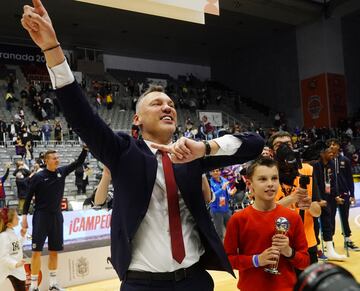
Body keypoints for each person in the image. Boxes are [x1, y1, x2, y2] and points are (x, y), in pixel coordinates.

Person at [21, 2, 264, 290]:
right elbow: (80, 116)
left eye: (171, 104)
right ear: (137, 118)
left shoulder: (191, 153)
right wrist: (52, 50)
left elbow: (256, 144)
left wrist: (205, 149)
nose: (167, 107)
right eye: (157, 103)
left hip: (196, 280)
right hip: (142, 284)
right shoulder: (124, 151)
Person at [224, 157, 309, 291]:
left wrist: (288, 251)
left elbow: (304, 262)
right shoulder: (238, 219)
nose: (270, 184)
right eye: (263, 179)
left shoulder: (293, 217)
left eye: (274, 178)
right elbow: (228, 260)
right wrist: (256, 260)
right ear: (250, 184)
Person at [21, 147, 88, 291]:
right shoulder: (38, 177)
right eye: (54, 158)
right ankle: (33, 286)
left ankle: (53, 283)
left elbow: (79, 162)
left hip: (57, 216)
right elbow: (27, 198)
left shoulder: (61, 172)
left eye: (58, 157)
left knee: (53, 251)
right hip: (41, 217)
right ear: (46, 161)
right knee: (36, 252)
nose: (57, 159)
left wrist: (85, 149)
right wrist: (24, 217)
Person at [268, 131, 321, 266]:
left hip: (307, 242)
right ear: (271, 151)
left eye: (288, 144)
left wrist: (309, 205)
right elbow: (264, 212)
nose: (285, 148)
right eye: (278, 145)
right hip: (277, 244)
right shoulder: (266, 174)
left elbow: (317, 212)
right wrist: (291, 199)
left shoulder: (307, 170)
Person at [312, 144, 347, 260]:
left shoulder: (332, 164)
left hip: (330, 197)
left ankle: (330, 249)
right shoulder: (316, 165)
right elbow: (315, 184)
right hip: (318, 198)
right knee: (315, 225)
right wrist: (318, 199)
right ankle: (316, 249)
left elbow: (333, 182)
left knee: (329, 222)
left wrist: (336, 195)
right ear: (322, 154)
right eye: (329, 152)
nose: (332, 153)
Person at [327, 139, 359, 251]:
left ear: (338, 146)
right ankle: (329, 242)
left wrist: (352, 194)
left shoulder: (345, 160)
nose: (332, 146)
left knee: (344, 217)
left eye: (334, 144)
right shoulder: (326, 161)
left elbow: (350, 179)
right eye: (330, 145)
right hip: (330, 195)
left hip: (344, 193)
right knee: (330, 219)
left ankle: (347, 240)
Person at [0, 208, 27, 291]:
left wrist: (22, 236)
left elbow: (16, 248)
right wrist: (16, 264)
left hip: (16, 269)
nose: (18, 218)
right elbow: (3, 257)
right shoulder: (4, 236)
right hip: (10, 268)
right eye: (16, 217)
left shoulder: (11, 232)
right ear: (9, 224)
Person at [208, 169, 236, 240]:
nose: (215, 172)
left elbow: (228, 192)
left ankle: (232, 246)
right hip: (216, 210)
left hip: (226, 209)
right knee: (219, 233)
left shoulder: (224, 180)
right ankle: (220, 249)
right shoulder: (209, 183)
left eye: (217, 170)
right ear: (210, 173)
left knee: (231, 229)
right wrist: (222, 189)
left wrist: (231, 193)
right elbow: (211, 197)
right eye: (213, 171)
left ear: (220, 172)